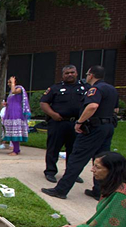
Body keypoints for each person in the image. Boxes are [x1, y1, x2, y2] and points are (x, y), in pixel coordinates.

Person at [42, 65, 119, 200]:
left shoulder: (95, 89)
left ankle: (61, 190)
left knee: (77, 158)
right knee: (101, 159)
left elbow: (92, 106)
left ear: (91, 75)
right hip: (108, 127)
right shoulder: (111, 89)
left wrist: (80, 122)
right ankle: (99, 191)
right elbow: (116, 110)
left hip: (94, 128)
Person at [40, 65, 88, 183]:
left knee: (74, 149)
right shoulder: (55, 88)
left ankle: (72, 173)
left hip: (76, 123)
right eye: (67, 73)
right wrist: (52, 114)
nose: (70, 75)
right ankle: (50, 171)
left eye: (72, 72)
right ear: (63, 75)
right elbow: (43, 102)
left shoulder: (85, 88)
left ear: (76, 73)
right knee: (53, 148)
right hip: (58, 123)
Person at [2, 76, 31, 155]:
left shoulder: (19, 88)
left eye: (10, 82)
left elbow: (15, 91)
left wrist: (13, 83)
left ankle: (16, 150)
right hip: (10, 112)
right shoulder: (11, 92)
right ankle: (15, 149)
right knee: (11, 131)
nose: (8, 84)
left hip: (16, 112)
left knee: (15, 131)